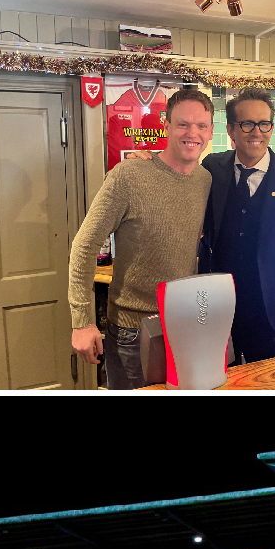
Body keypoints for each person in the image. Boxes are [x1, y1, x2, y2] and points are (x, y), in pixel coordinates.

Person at [68, 89, 214, 389]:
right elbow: (84, 245)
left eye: (201, 125)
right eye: (183, 124)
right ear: (165, 126)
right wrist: (82, 321)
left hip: (184, 326)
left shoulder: (204, 179)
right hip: (131, 332)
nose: (192, 133)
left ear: (211, 131)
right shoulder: (128, 176)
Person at [200, 87, 275, 364]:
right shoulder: (212, 167)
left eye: (264, 123)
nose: (257, 132)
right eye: (247, 123)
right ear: (231, 129)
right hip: (216, 306)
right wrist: (146, 161)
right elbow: (178, 174)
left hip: (270, 311)